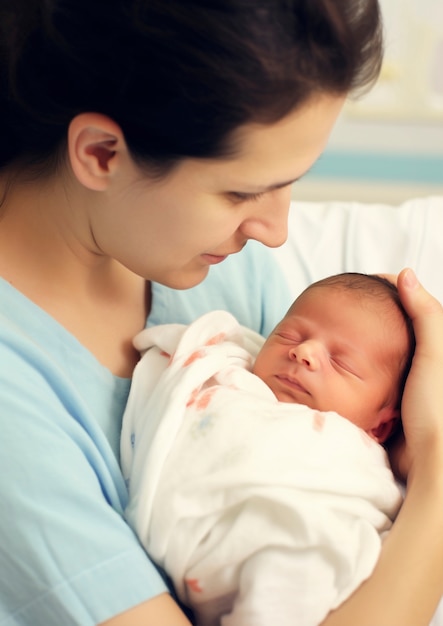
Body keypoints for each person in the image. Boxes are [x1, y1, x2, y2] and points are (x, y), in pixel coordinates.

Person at [1, 1, 443, 625]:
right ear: (102, 153)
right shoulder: (14, 400)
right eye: (241, 191)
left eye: (291, 182)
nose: (277, 231)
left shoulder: (215, 265)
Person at [121, 273, 414, 626]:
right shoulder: (226, 377)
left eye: (340, 361)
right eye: (290, 335)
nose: (303, 351)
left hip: (302, 549)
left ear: (380, 425)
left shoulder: (357, 456)